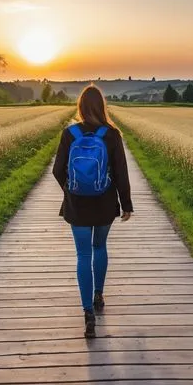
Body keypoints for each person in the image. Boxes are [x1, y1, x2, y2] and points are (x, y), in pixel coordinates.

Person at [53, 85, 133, 338]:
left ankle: (87, 312)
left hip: (77, 204)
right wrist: (126, 204)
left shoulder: (70, 134)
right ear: (102, 106)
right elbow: (121, 172)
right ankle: (99, 295)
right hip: (105, 201)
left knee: (82, 254)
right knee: (100, 247)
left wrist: (71, 190)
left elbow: (57, 170)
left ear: (80, 107)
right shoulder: (111, 135)